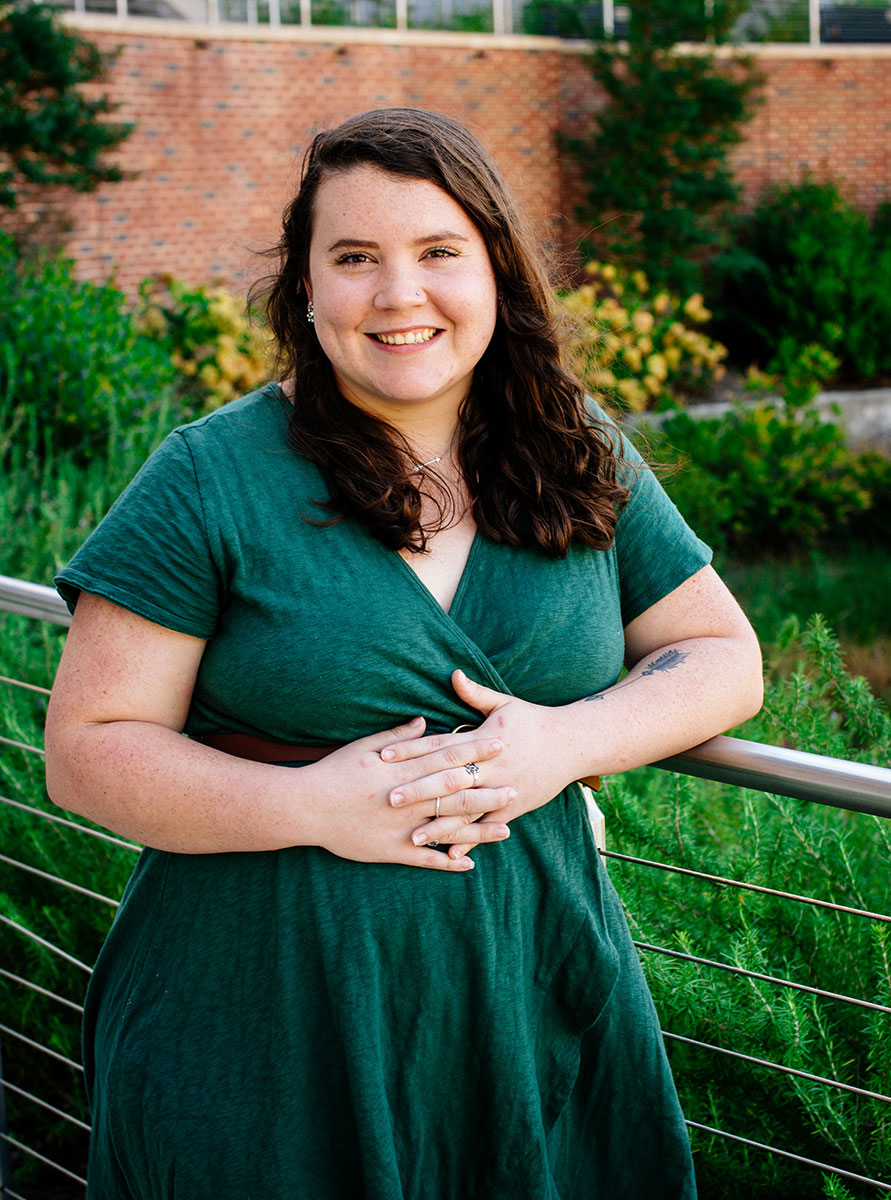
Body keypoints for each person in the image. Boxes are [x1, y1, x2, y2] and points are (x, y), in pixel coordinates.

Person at [45, 107, 763, 1199]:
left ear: (496, 272)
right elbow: (89, 748)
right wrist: (312, 806)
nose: (398, 295)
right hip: (259, 1030)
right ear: (305, 288)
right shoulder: (207, 476)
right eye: (354, 259)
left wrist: (566, 743)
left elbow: (722, 654)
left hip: (535, 1005)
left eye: (438, 253)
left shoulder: (578, 448)